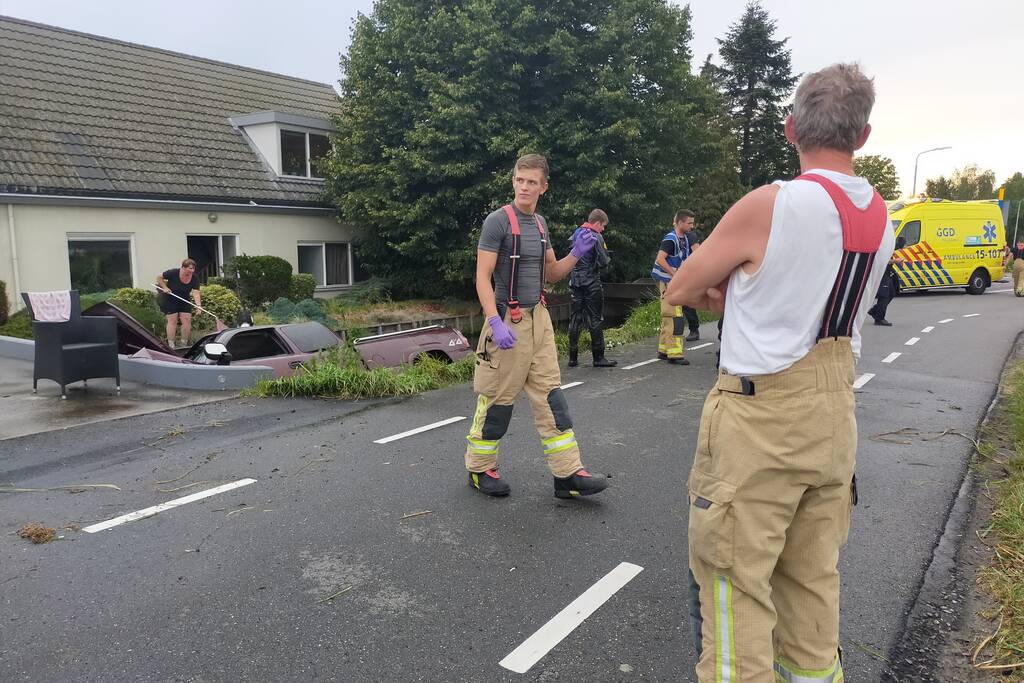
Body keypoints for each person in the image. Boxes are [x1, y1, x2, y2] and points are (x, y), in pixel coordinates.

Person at [667, 63, 894, 682]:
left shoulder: (772, 203)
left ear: (790, 127)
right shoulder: (881, 219)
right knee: (812, 583)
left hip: (759, 416)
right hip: (833, 416)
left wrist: (729, 294)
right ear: (863, 136)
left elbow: (681, 289)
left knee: (732, 584)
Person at [463, 154, 609, 499]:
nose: (524, 187)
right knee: (497, 401)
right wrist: (494, 322)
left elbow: (552, 274)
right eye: (519, 180)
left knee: (551, 397)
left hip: (538, 319)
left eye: (532, 182)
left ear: (544, 187)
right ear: (513, 181)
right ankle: (479, 468)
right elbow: (482, 278)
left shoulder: (540, 224)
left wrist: (577, 253)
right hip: (506, 322)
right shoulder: (497, 222)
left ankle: (567, 473)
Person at [567, 209, 616, 368]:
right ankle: (598, 357)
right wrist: (609, 256)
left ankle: (572, 357)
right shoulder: (596, 236)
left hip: (575, 280)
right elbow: (603, 262)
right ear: (597, 223)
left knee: (575, 318)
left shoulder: (576, 233)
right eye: (603, 226)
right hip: (591, 281)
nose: (603, 229)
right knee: (595, 318)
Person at [651, 209, 697, 365]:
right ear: (680, 223)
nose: (692, 226)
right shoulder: (671, 239)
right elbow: (660, 259)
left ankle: (664, 350)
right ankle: (675, 354)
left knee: (668, 316)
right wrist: (674, 274)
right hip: (669, 281)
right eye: (689, 223)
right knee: (675, 317)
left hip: (674, 281)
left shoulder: (684, 239)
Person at [156, 259, 201, 347]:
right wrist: (165, 287)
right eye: (190, 268)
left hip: (184, 300)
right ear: (183, 267)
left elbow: (196, 292)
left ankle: (184, 344)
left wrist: (198, 305)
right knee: (172, 321)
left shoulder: (194, 277)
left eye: (193, 269)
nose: (192, 271)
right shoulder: (173, 272)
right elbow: (158, 277)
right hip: (170, 300)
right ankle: (171, 345)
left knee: (187, 320)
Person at [867, 236, 906, 325]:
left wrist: (900, 245)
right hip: (881, 271)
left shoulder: (887, 244)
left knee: (892, 292)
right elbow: (884, 261)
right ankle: (879, 318)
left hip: (887, 270)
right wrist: (896, 261)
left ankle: (875, 310)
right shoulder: (882, 246)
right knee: (884, 295)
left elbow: (895, 247)